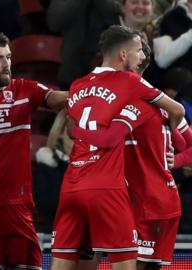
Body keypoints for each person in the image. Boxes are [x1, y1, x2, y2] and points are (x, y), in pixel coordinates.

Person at [50, 25, 184, 270]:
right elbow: (178, 110)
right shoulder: (130, 82)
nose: (142, 56)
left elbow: (71, 125)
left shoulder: (78, 85)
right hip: (107, 188)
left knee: (63, 263)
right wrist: (169, 134)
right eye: (138, 51)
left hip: (71, 185)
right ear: (124, 55)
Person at [0, 30, 67, 270]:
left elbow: (56, 98)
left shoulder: (23, 89)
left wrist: (89, 91)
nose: (7, 65)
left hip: (18, 207)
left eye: (9, 57)